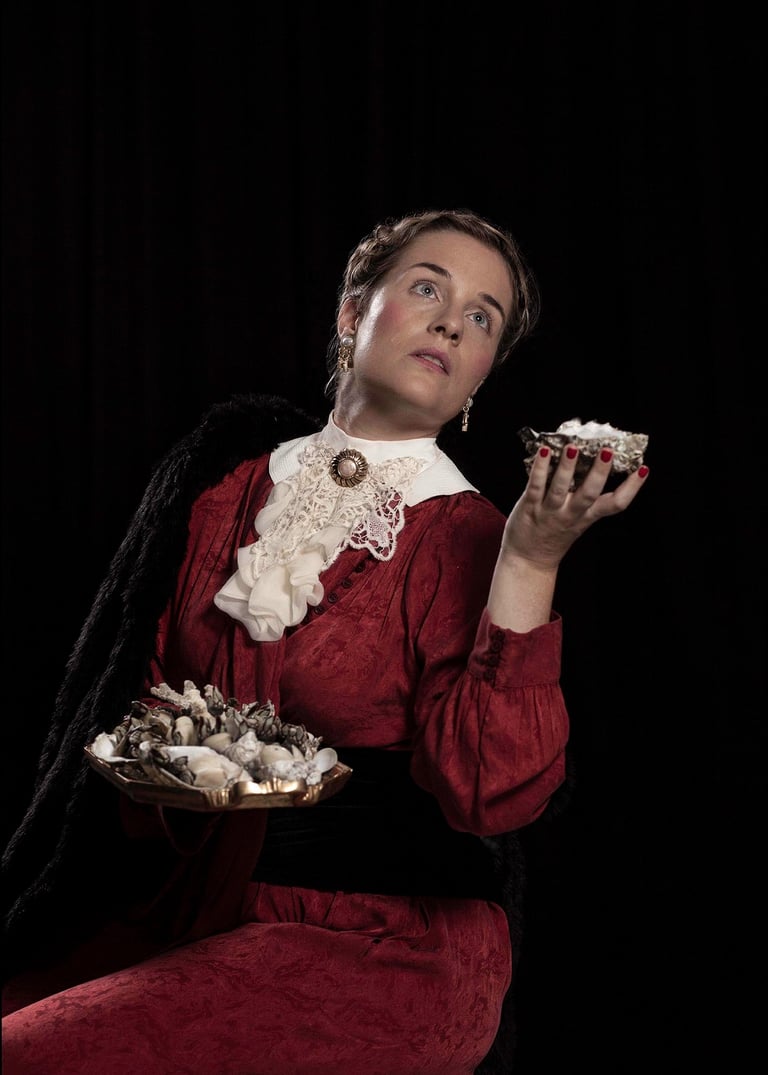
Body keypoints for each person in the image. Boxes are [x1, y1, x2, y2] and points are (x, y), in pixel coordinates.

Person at [1, 207, 649, 1074]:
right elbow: (136, 709)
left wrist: (530, 558)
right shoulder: (218, 490)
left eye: (482, 316)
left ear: (481, 374)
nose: (453, 323)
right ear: (353, 312)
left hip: (387, 947)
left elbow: (489, 791)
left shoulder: (467, 534)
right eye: (428, 288)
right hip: (195, 914)